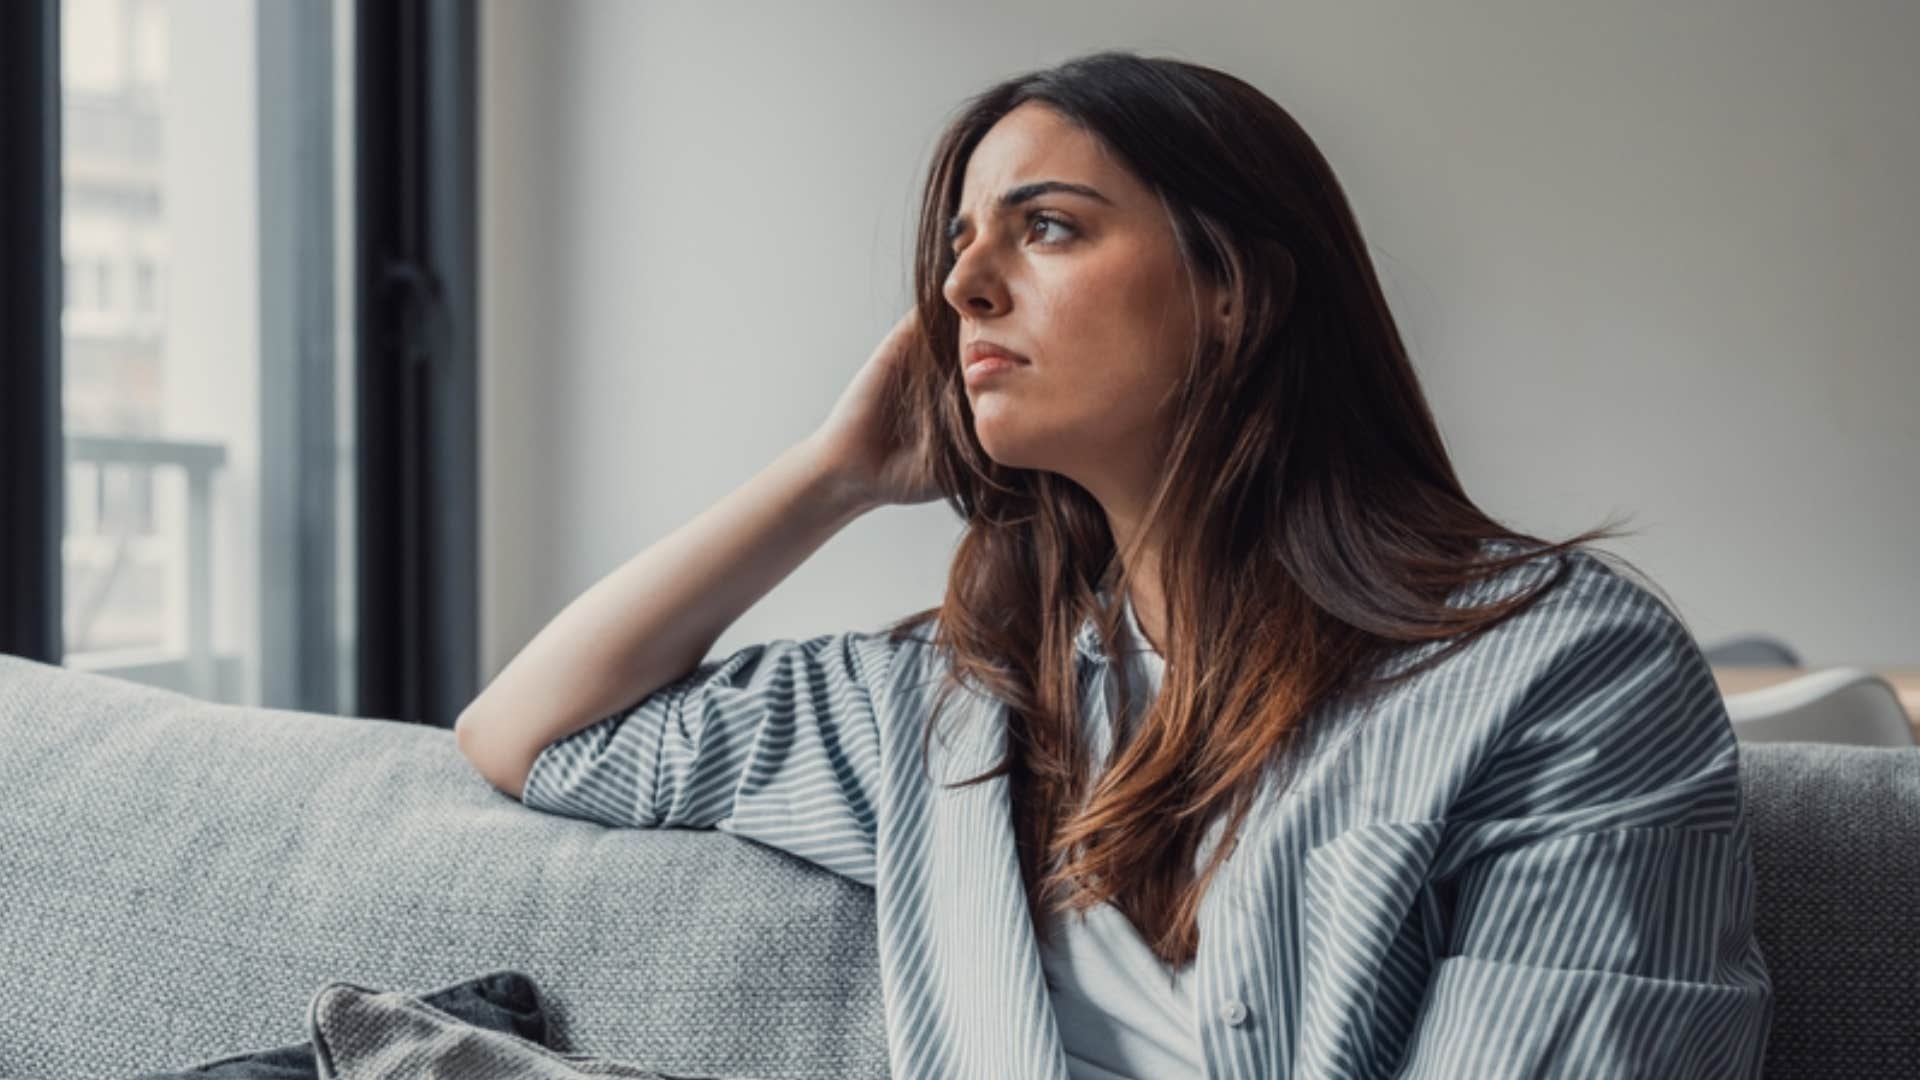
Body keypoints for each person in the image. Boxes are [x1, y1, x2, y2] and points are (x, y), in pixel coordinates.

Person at [457, 49, 1773, 1079]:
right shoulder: (957, 709)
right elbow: (531, 733)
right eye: (959, 244)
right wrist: (831, 476)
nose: (963, 288)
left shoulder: (1561, 675)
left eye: (1048, 228)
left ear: (1232, 292)